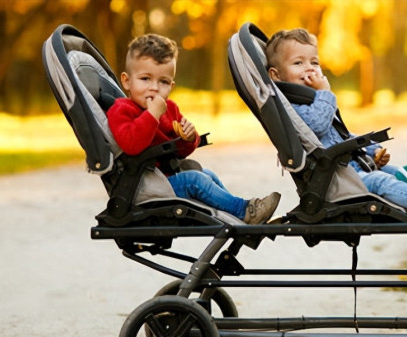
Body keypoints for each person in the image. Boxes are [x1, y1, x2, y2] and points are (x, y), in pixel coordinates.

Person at [265, 28, 407, 222]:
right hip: (333, 183)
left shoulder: (310, 101)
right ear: (276, 75)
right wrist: (325, 93)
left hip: (349, 172)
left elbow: (341, 135)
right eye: (298, 63)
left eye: (314, 62)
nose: (309, 68)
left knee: (395, 172)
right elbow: (318, 125)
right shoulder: (293, 107)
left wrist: (372, 150)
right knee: (379, 181)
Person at [107, 33, 280, 224]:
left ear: (171, 85)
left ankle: (236, 218)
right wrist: (152, 115)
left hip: (167, 178)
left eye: (163, 82)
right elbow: (131, 145)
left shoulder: (169, 108)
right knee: (196, 181)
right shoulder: (121, 110)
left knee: (207, 175)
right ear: (127, 81)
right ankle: (245, 211)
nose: (154, 88)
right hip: (145, 186)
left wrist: (189, 138)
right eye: (145, 79)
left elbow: (181, 152)